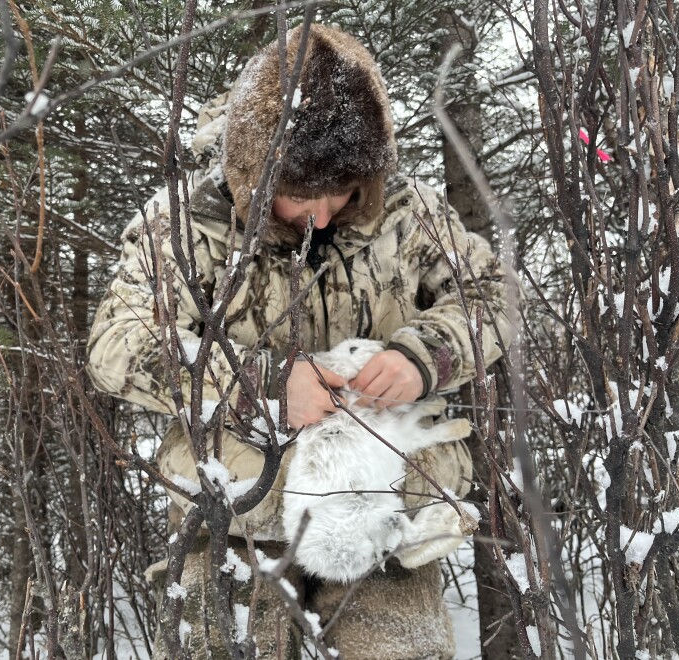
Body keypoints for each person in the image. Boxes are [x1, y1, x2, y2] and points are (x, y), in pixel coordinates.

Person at [88, 24, 517, 660]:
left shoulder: (410, 212)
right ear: (250, 172)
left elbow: (492, 295)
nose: (317, 215)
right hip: (234, 515)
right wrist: (260, 386)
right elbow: (115, 345)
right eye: (295, 195)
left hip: (384, 511)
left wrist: (425, 357)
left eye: (336, 192)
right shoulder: (184, 224)